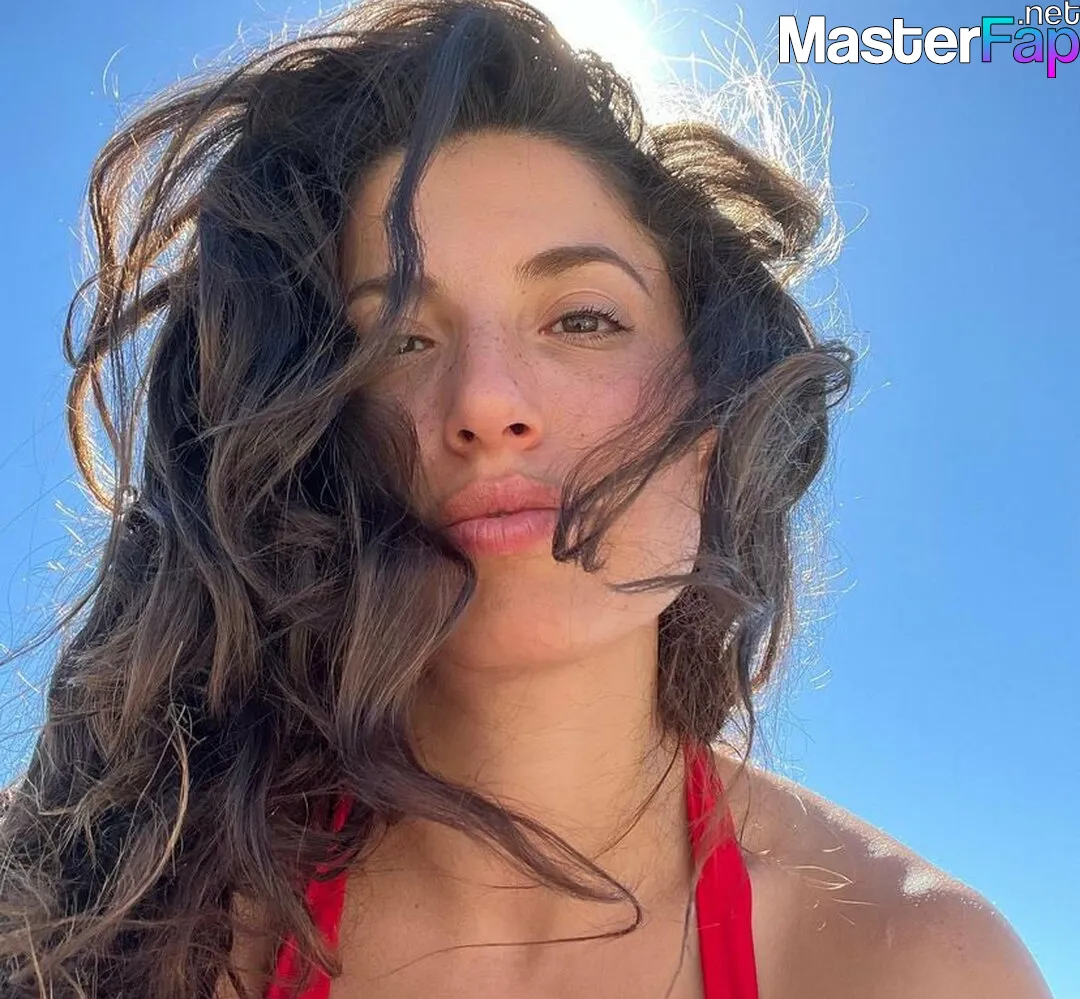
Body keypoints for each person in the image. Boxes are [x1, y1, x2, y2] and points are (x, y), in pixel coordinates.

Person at [0, 1, 1052, 997]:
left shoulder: (911, 963)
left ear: (716, 415)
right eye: (396, 339)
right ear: (321, 436)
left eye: (583, 320)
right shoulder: (137, 911)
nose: (487, 402)